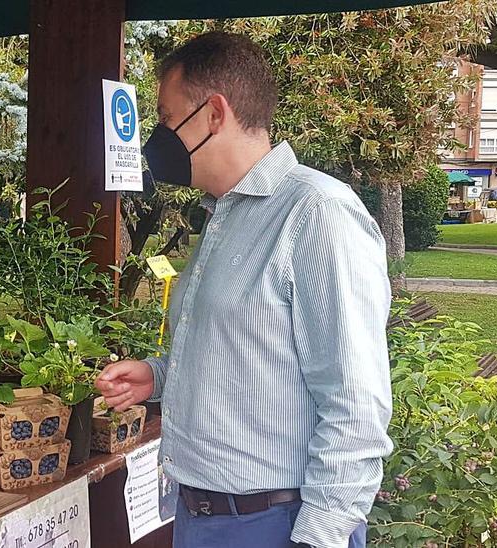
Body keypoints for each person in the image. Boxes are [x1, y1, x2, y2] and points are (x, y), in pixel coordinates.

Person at [95, 32, 392, 548]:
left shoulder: (316, 212)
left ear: (214, 114)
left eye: (167, 120)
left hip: (276, 525)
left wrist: (320, 537)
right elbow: (247, 353)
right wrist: (159, 376)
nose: (158, 139)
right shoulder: (223, 215)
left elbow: (354, 402)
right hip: (200, 517)